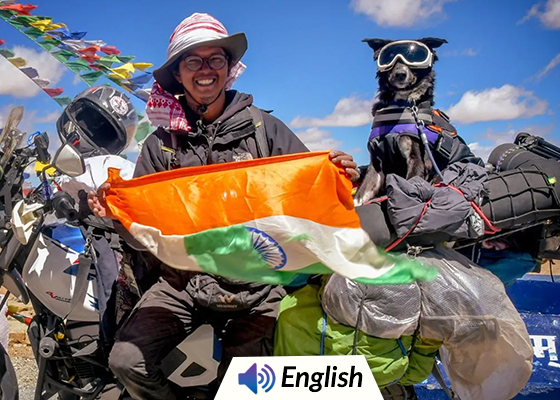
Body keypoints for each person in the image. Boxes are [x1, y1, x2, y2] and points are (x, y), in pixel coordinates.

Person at [88, 13, 359, 400]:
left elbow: (312, 198)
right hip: (181, 282)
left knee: (245, 388)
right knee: (126, 362)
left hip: (260, 287)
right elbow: (141, 236)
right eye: (192, 61)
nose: (205, 70)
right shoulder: (160, 145)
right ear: (178, 74)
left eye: (215, 59)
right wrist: (119, 215)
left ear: (230, 69)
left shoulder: (267, 130)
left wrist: (345, 176)